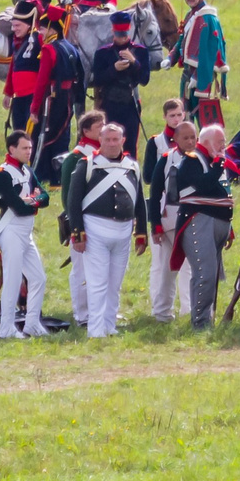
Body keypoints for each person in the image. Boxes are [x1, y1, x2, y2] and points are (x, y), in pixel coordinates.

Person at [68, 122, 139, 337]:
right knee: (97, 282)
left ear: (122, 140)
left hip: (123, 230)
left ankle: (109, 325)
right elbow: (73, 201)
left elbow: (139, 201)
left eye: (115, 139)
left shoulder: (132, 166)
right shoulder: (87, 165)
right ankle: (96, 329)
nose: (111, 143)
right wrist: (78, 233)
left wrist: (142, 233)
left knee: (115, 283)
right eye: (107, 139)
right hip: (95, 228)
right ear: (100, 140)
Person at [169, 122, 238, 330]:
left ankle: (207, 318)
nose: (223, 145)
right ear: (206, 143)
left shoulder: (216, 162)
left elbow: (223, 192)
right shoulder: (192, 160)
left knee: (212, 274)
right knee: (205, 273)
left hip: (217, 222)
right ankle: (200, 322)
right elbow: (204, 185)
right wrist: (218, 165)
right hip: (198, 221)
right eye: (219, 142)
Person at [0, 130, 50, 339]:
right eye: (24, 148)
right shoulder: (3, 174)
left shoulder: (27, 171)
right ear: (12, 149)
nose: (29, 152)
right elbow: (18, 208)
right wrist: (34, 200)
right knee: (12, 281)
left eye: (30, 148)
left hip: (25, 232)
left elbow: (46, 197)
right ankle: (6, 328)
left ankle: (32, 323)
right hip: (10, 230)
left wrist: (32, 200)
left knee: (38, 278)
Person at [140, 98, 194, 324]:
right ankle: (160, 308)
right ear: (165, 117)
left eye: (179, 114)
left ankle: (188, 308)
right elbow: (148, 177)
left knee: (189, 267)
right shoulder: (157, 143)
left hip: (187, 208)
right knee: (162, 265)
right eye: (172, 115)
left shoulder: (195, 146)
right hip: (165, 207)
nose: (176, 119)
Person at [55, 113, 105, 327]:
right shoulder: (75, 158)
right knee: (81, 271)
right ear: (86, 131)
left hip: (103, 220)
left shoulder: (106, 154)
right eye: (99, 126)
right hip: (82, 220)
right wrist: (77, 226)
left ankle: (100, 311)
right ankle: (82, 314)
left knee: (103, 270)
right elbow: (68, 197)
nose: (103, 129)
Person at [90, 10, 152, 138]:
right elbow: (97, 80)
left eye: (124, 35)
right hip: (109, 104)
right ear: (113, 32)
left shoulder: (140, 51)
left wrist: (134, 62)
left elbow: (145, 80)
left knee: (130, 143)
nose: (122, 38)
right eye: (119, 35)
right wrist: (113, 69)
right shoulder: (103, 53)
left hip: (130, 104)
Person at [178, 0, 227, 129]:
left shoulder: (208, 17)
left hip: (202, 77)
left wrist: (198, 76)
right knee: (186, 117)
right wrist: (171, 58)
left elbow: (210, 52)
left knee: (205, 121)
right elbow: (182, 40)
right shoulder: (190, 15)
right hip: (187, 76)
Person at [40, 7, 86, 172]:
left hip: (54, 97)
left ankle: (48, 173)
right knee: (63, 133)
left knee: (50, 135)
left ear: (52, 29)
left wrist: (35, 107)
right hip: (68, 97)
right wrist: (78, 98)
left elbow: (42, 82)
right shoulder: (71, 47)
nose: (40, 32)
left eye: (42, 29)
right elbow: (81, 76)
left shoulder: (49, 49)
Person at [2, 3, 50, 136]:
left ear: (28, 25)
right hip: (19, 98)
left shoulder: (39, 38)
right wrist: (8, 93)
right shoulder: (18, 42)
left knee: (31, 134)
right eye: (13, 26)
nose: (14, 29)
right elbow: (13, 68)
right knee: (18, 133)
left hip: (32, 96)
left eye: (17, 26)